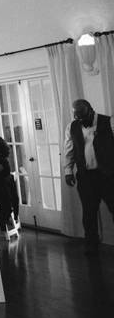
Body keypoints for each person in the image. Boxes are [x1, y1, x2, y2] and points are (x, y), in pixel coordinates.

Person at [64, 99, 114, 254]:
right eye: (76, 116)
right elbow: (69, 150)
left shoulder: (109, 122)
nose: (80, 120)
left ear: (91, 110)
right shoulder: (72, 126)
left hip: (109, 176)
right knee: (88, 212)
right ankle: (91, 245)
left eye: (82, 116)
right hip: (86, 177)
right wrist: (68, 171)